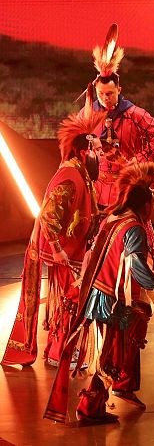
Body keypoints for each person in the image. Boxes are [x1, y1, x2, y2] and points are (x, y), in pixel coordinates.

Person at [45, 163, 154, 424]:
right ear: (146, 205)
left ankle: (123, 386)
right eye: (152, 204)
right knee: (108, 354)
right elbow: (137, 266)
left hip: (100, 293)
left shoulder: (115, 218)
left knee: (130, 334)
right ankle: (89, 409)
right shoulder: (135, 228)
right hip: (109, 300)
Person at [1, 111, 103, 367]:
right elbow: (48, 216)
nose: (101, 155)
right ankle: (60, 352)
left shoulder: (81, 173)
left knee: (72, 299)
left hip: (72, 247)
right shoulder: (69, 176)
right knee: (70, 300)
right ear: (83, 151)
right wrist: (58, 250)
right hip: (61, 249)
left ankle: (60, 350)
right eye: (97, 150)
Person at [79, 24, 154, 209]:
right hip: (98, 186)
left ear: (119, 90)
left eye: (110, 93)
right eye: (101, 93)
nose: (105, 98)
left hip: (129, 184)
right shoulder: (88, 114)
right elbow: (75, 140)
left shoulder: (134, 114)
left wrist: (141, 157)